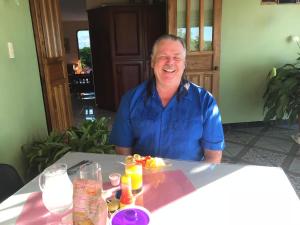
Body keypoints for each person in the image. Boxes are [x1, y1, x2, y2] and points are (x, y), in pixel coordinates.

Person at [109, 34, 225, 163]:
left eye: (177, 57)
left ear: (184, 63)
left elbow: (213, 155)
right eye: (163, 56)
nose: (170, 62)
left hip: (188, 179)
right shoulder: (130, 99)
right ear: (153, 62)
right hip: (144, 178)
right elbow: (123, 149)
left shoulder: (205, 101)